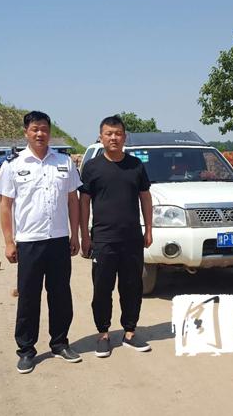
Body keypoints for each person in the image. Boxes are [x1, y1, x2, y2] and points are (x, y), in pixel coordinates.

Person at [0, 111, 82, 374]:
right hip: (29, 242)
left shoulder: (64, 162)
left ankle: (60, 343)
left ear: (50, 132)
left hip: (58, 240)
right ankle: (26, 351)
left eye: (44, 129)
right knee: (29, 298)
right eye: (35, 129)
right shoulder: (12, 165)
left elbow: (73, 201)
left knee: (60, 295)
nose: (40, 133)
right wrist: (9, 242)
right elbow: (5, 205)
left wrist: (75, 235)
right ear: (26, 132)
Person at [79, 115, 153, 357]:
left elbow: (145, 197)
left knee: (132, 287)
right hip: (103, 239)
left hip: (132, 239)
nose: (114, 138)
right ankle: (103, 334)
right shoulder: (92, 167)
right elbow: (84, 202)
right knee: (102, 289)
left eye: (118, 133)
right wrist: (84, 235)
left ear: (124, 137)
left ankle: (130, 332)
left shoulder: (135, 165)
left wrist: (149, 229)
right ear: (100, 137)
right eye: (109, 133)